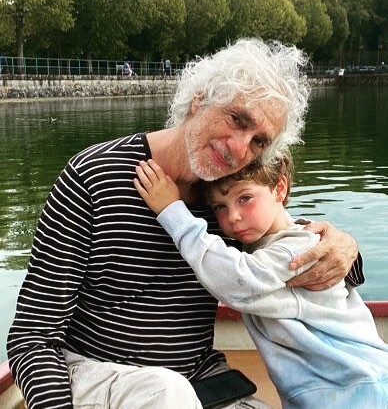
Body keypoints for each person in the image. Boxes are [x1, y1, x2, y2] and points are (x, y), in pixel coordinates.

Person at [7, 38, 362, 409]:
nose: (239, 149)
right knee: (166, 392)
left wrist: (345, 249)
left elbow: (282, 257)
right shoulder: (92, 178)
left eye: (258, 141)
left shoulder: (227, 202)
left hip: (197, 381)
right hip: (97, 376)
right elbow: (31, 338)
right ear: (200, 99)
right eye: (237, 119)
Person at [135, 152, 388, 407]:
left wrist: (172, 212)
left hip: (359, 387)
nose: (233, 216)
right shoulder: (270, 246)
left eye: (245, 198)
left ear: (279, 188)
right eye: (220, 207)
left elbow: (234, 281)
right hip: (336, 389)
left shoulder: (299, 250)